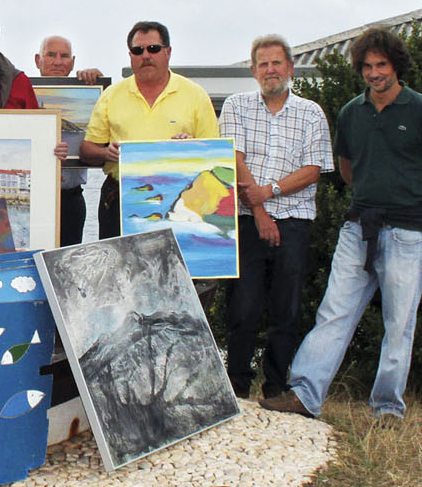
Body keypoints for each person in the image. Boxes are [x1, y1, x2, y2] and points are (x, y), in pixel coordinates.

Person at [262, 27, 422, 421]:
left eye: (381, 65)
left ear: (396, 66)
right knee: (334, 311)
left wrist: (408, 203)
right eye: (367, 66)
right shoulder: (352, 113)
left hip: (407, 231)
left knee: (399, 322)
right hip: (357, 227)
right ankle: (305, 395)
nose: (374, 73)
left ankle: (387, 408)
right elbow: (347, 170)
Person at [219, 35, 335, 399]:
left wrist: (268, 193)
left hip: (294, 220)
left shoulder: (311, 112)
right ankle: (237, 386)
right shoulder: (236, 106)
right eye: (263, 64)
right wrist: (259, 211)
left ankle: (276, 387)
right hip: (246, 219)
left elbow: (313, 170)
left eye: (277, 63)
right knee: (243, 306)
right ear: (254, 71)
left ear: (291, 68)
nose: (271, 70)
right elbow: (233, 159)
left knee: (287, 308)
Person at [79, 20, 221, 239]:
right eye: (138, 50)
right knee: (119, 262)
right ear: (130, 55)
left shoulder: (195, 95)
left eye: (153, 48)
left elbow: (215, 154)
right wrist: (106, 153)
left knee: (174, 262)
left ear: (168, 52)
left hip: (180, 199)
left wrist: (191, 147)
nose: (145, 55)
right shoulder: (111, 95)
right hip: (119, 197)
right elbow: (87, 150)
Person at [35, 34, 106, 246]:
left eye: (64, 56)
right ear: (38, 60)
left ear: (72, 62)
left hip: (71, 199)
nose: (58, 61)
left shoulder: (88, 90)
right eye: (51, 55)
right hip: (35, 199)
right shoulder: (21, 95)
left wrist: (99, 83)